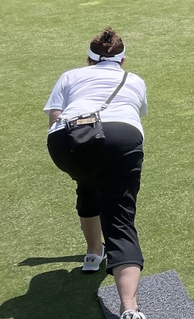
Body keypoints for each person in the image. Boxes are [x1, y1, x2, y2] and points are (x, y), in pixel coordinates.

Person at [44, 27, 150, 319]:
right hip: (121, 138)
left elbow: (54, 117)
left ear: (89, 60)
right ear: (123, 60)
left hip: (66, 141)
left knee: (87, 182)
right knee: (119, 221)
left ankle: (94, 253)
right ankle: (129, 308)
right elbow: (134, 114)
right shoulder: (134, 80)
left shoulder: (70, 75)